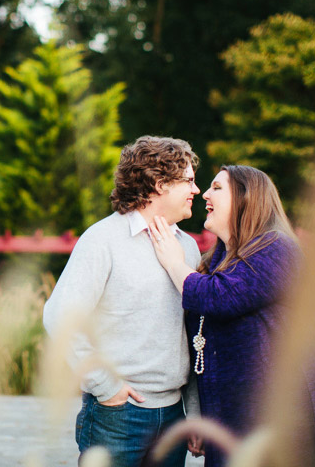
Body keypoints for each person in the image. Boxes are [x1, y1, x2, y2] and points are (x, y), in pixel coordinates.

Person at [147, 165, 315, 467]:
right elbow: (202, 345)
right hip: (236, 411)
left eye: (217, 188)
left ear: (246, 198)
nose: (205, 193)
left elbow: (218, 297)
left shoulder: (277, 248)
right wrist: (204, 418)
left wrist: (174, 263)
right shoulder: (213, 263)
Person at [43, 136, 203, 467]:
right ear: (160, 184)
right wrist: (106, 386)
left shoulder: (188, 248)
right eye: (188, 180)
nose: (196, 190)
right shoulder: (102, 240)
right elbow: (59, 316)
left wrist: (195, 413)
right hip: (116, 415)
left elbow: (192, 335)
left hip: (174, 416)